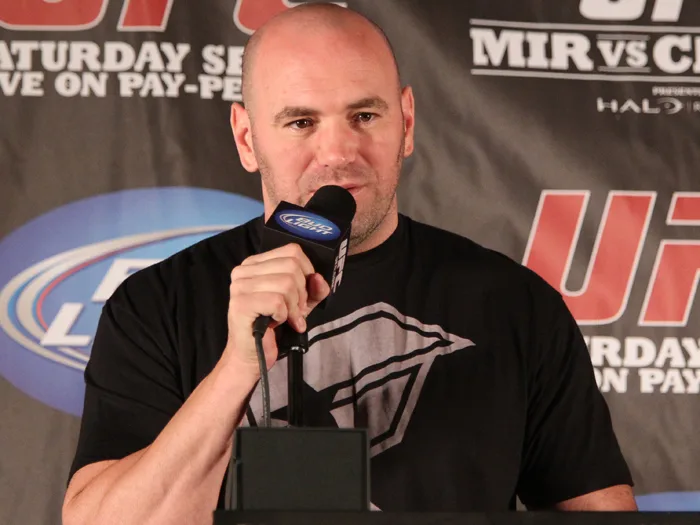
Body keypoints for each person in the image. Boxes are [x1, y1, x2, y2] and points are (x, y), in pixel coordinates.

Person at [62, 4, 637, 524]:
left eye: (364, 116)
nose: (339, 153)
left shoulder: (514, 303)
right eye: (300, 122)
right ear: (246, 137)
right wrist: (237, 368)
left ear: (406, 123)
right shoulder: (159, 303)